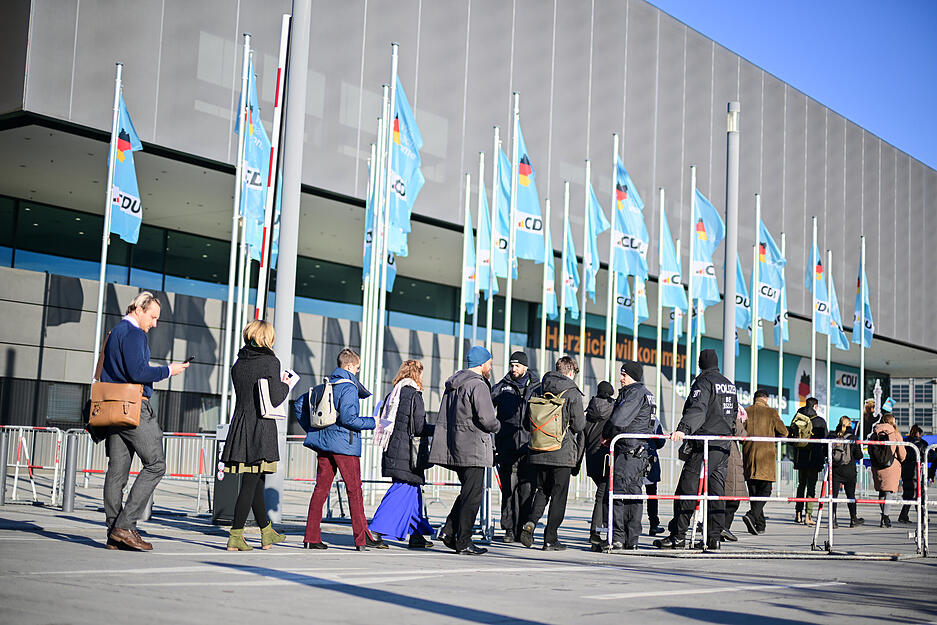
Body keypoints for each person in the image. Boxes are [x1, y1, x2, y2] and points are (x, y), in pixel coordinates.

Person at [101, 291, 188, 551]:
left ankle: (114, 533)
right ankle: (124, 526)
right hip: (134, 407)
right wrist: (168, 370)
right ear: (139, 309)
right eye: (153, 317)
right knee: (156, 465)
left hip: (113, 409)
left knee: (117, 472)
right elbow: (138, 372)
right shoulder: (134, 333)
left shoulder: (115, 331)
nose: (154, 323)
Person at [297, 348, 382, 551]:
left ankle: (311, 537)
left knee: (321, 489)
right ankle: (361, 539)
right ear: (350, 366)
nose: (358, 372)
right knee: (354, 490)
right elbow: (349, 419)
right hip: (344, 445)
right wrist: (374, 422)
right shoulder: (349, 387)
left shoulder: (324, 386)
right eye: (358, 368)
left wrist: (312, 429)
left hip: (323, 444)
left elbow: (299, 405)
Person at [654, 349, 738, 551]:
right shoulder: (729, 385)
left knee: (687, 488)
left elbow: (697, 409)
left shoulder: (704, 382)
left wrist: (683, 430)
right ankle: (714, 538)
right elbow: (733, 413)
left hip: (704, 444)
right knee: (716, 492)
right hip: (723, 444)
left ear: (701, 363)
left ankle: (678, 536)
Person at [221, 320, 290, 551]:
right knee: (250, 484)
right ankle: (236, 534)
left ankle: (266, 532)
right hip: (260, 428)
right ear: (266, 338)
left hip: (241, 425)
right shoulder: (271, 362)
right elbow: (275, 397)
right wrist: (286, 384)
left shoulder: (239, 363)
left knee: (257, 481)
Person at [430, 345, 501, 555]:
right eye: (489, 362)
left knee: (467, 492)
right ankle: (464, 541)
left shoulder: (455, 384)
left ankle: (449, 531)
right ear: (482, 364)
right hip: (473, 448)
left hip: (456, 444)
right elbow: (487, 420)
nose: (491, 366)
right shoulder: (478, 385)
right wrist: (498, 426)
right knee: (473, 496)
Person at [518, 356, 585, 551]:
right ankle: (550, 539)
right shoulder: (572, 392)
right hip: (561, 452)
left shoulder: (538, 387)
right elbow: (579, 425)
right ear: (571, 372)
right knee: (558, 496)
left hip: (538, 449)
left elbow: (526, 421)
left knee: (542, 490)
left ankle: (530, 522)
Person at [369, 360, 436, 548]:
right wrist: (439, 429)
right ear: (417, 374)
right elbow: (419, 427)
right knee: (402, 489)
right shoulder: (414, 395)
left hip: (393, 449)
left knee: (413, 492)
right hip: (408, 453)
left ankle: (416, 535)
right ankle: (375, 530)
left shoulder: (393, 394)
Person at [602, 360, 655, 550]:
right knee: (634, 496)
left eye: (624, 375)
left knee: (618, 496)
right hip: (639, 453)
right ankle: (632, 540)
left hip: (627, 452)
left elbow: (618, 419)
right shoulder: (646, 395)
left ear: (632, 376)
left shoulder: (634, 393)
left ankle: (617, 538)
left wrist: (606, 435)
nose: (620, 378)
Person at [491, 350, 538, 543]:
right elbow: (485, 405)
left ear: (525, 367)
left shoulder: (537, 386)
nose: (513, 369)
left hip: (529, 446)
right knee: (508, 491)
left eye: (517, 365)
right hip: (507, 445)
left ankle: (522, 529)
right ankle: (509, 529)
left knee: (526, 490)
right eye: (511, 365)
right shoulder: (502, 387)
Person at [740, 389, 789, 535]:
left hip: (749, 457)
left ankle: (760, 525)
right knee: (765, 491)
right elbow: (784, 432)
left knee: (754, 493)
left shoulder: (746, 411)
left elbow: (739, 433)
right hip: (766, 458)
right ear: (766, 399)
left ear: (755, 398)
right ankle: (752, 515)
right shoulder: (771, 412)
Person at [584, 381, 616, 550]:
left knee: (603, 494)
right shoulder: (614, 410)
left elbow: (581, 438)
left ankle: (600, 529)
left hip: (592, 460)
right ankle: (596, 531)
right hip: (606, 458)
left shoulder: (589, 411)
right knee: (603, 494)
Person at [789, 397, 827, 525]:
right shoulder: (820, 421)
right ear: (815, 406)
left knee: (801, 485)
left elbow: (790, 438)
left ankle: (798, 514)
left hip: (800, 458)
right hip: (814, 458)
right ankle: (808, 516)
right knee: (811, 487)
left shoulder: (797, 419)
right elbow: (825, 441)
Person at [871, 413, 906, 528]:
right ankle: (885, 517)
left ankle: (884, 516)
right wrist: (902, 459)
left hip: (877, 466)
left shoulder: (874, 433)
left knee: (882, 491)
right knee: (889, 492)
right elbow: (902, 452)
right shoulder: (894, 433)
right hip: (891, 466)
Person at [830, 415, 864, 528]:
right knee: (850, 495)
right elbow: (859, 455)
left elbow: (826, 452)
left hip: (835, 469)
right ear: (850, 425)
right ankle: (853, 519)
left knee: (833, 497)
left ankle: (833, 520)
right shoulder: (852, 437)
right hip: (849, 470)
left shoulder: (833, 436)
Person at [721, 406, 748, 542]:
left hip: (714, 452)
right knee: (733, 498)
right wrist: (740, 421)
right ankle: (723, 527)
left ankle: (718, 528)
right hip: (729, 454)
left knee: (717, 495)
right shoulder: (732, 411)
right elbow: (742, 435)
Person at [898, 424, 927, 524]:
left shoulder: (905, 442)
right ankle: (922, 516)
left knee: (909, 494)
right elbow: (930, 456)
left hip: (906, 470)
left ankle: (904, 515)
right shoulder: (922, 444)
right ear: (918, 434)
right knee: (919, 494)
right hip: (916, 471)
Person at [644, 413, 666, 537]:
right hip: (650, 457)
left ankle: (629, 524)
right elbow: (661, 441)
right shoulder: (652, 418)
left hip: (631, 458)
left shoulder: (630, 412)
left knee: (631, 493)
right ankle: (653, 524)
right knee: (652, 494)